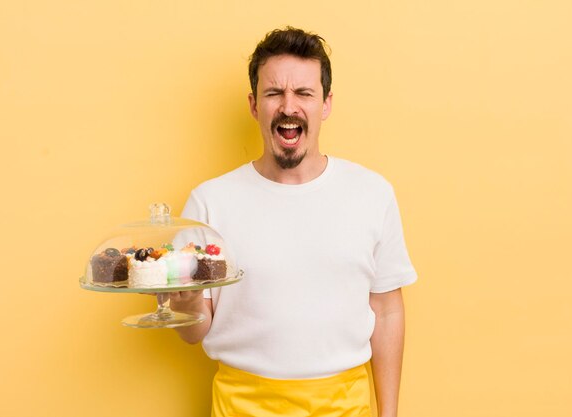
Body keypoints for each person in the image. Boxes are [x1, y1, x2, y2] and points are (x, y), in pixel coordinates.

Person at [169, 27, 417, 417]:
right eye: (274, 93)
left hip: (343, 407)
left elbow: (387, 311)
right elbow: (194, 331)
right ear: (254, 105)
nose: (289, 106)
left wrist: (389, 414)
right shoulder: (209, 202)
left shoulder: (372, 193)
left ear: (326, 103)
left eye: (304, 93)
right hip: (241, 406)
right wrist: (183, 307)